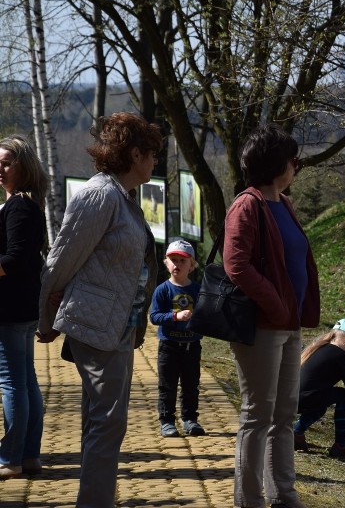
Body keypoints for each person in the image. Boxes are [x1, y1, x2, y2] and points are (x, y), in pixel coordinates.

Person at [37, 112, 161, 507]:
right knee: (108, 424)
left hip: (116, 328)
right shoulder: (100, 194)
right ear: (135, 153)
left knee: (102, 424)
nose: (155, 162)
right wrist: (45, 319)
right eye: (152, 154)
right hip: (96, 326)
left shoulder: (124, 197)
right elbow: (61, 260)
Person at [224, 123, 320, 508]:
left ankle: (283, 495)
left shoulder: (284, 202)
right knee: (257, 415)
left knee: (283, 416)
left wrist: (293, 311)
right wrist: (276, 304)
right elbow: (237, 265)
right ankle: (248, 501)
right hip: (263, 327)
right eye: (293, 160)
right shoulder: (248, 204)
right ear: (276, 163)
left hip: (288, 326)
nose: (296, 166)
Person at [0, 136, 48, 479]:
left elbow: (15, 259)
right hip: (23, 305)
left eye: (5, 162)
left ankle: (11, 459)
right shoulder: (25, 204)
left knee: (12, 383)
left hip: (11, 307)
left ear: (23, 166)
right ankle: (29, 456)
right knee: (25, 381)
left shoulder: (19, 205)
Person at [294, 319, 345, 459]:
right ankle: (341, 445)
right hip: (306, 399)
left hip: (290, 399)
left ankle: (296, 433)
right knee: (344, 395)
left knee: (321, 403)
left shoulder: (318, 349)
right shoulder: (341, 357)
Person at [148, 238, 205, 438]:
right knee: (167, 385)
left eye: (182, 261)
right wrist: (174, 316)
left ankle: (190, 419)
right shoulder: (162, 290)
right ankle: (166, 421)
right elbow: (154, 317)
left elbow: (205, 314)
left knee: (191, 385)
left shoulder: (198, 290)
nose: (177, 264)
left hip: (192, 346)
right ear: (166, 263)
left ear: (192, 265)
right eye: (173, 260)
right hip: (169, 346)